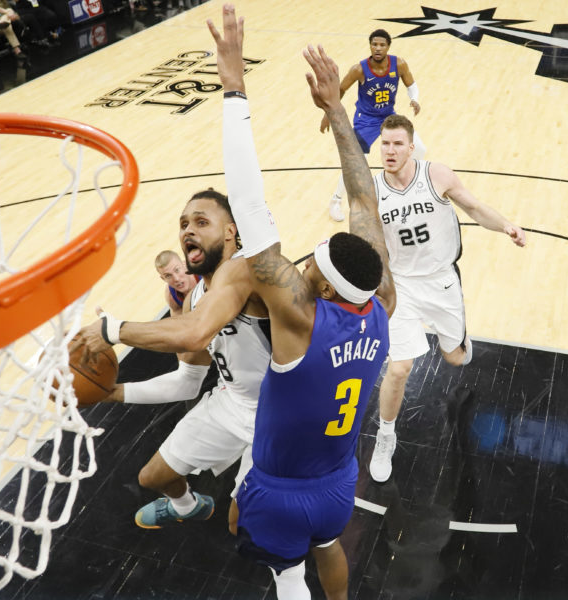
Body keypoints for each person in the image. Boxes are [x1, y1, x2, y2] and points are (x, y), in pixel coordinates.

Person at [207, 5, 395, 599]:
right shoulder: (382, 300)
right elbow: (365, 203)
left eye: (311, 264)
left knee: (285, 569)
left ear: (319, 283)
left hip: (279, 488)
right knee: (329, 548)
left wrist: (234, 88)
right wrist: (338, 110)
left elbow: (249, 201)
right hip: (340, 483)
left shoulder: (298, 317)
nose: (303, 264)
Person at [77, 187, 271, 534]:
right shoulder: (196, 297)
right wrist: (113, 392)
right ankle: (189, 506)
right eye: (183, 224)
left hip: (280, 414)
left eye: (200, 221)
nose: (187, 231)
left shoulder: (247, 274)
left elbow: (194, 333)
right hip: (234, 401)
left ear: (231, 232)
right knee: (153, 476)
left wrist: (115, 329)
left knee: (239, 525)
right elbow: (187, 381)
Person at [367, 112, 526, 483]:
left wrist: (506, 225)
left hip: (441, 283)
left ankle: (460, 340)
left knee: (455, 358)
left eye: (396, 144)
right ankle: (385, 437)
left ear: (411, 146)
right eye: (384, 143)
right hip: (401, 287)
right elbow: (368, 243)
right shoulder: (372, 189)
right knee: (400, 367)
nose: (389, 150)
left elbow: (473, 207)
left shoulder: (435, 175)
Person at [323, 29, 426, 223]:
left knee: (419, 149)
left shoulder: (399, 64)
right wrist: (329, 113)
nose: (378, 48)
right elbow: (341, 89)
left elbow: (411, 85)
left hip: (388, 115)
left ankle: (405, 187)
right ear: (370, 45)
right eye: (374, 44)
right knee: (355, 161)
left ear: (388, 46)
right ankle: (336, 200)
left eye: (382, 45)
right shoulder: (359, 69)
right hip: (366, 118)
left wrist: (414, 99)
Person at [155, 249, 199, 316]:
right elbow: (181, 323)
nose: (176, 279)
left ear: (184, 264)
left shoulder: (202, 273)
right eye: (168, 276)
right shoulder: (171, 297)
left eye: (177, 270)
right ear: (163, 279)